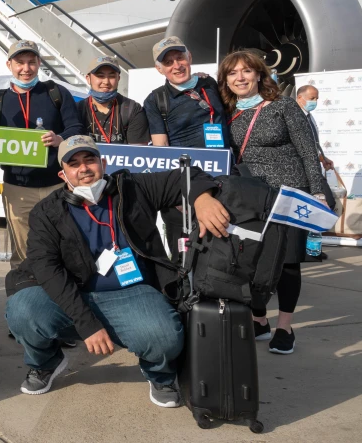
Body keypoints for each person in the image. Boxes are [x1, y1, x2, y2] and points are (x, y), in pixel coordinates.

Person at [5, 135, 232, 405]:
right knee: (21, 311)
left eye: (89, 160)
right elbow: (47, 269)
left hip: (133, 292)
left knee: (165, 338)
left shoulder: (134, 188)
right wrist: (88, 325)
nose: (84, 169)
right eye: (74, 164)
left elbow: (188, 176)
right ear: (63, 174)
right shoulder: (47, 211)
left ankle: (160, 375)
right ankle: (46, 362)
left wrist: (202, 198)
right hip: (74, 293)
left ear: (103, 162)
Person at [218, 50, 327, 355]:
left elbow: (308, 151)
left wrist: (316, 192)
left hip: (288, 192)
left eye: (247, 71)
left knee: (288, 262)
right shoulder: (226, 112)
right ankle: (260, 320)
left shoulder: (283, 106)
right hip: (250, 196)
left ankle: (285, 327)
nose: (240, 78)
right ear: (226, 80)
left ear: (259, 75)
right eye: (233, 73)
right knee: (252, 261)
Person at [0, 40, 84, 268]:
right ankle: (23, 293)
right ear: (9, 65)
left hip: (56, 184)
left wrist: (59, 139)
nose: (26, 68)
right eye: (20, 63)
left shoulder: (55, 92)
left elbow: (76, 128)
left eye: (31, 62)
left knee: (64, 244)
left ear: (39, 63)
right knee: (22, 252)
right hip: (17, 187)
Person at [143, 36, 229, 259]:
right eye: (168, 62)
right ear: (160, 69)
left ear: (189, 57)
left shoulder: (212, 84)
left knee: (220, 249)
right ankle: (183, 291)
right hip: (186, 184)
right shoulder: (155, 100)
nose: (176, 66)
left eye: (180, 58)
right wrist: (174, 193)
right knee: (183, 253)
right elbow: (161, 147)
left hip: (223, 177)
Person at [77, 56, 150, 144]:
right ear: (88, 79)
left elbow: (138, 152)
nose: (106, 82)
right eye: (100, 76)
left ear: (118, 79)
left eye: (112, 76)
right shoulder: (77, 110)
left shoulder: (133, 109)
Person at [295, 85, 335, 172]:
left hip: (312, 168)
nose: (315, 101)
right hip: (299, 170)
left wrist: (322, 158)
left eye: (316, 99)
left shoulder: (310, 116)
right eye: (312, 98)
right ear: (299, 97)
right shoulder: (292, 118)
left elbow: (311, 145)